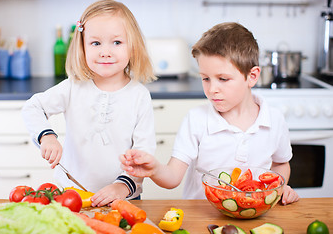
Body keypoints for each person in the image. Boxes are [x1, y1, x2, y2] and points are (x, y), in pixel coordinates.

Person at [121, 22, 299, 205]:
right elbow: (173, 177)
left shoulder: (274, 120)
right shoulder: (196, 120)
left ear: (252, 77)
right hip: (202, 217)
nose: (212, 89)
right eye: (205, 78)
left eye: (223, 79)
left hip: (255, 212)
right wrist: (155, 169)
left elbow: (280, 164)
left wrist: (280, 186)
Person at [22, 0, 157, 207]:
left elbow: (143, 152)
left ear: (133, 46)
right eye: (95, 43)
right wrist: (46, 136)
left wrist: (121, 186)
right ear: (82, 47)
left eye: (117, 42)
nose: (105, 51)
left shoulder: (139, 96)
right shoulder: (73, 87)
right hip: (72, 192)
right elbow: (33, 107)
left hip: (122, 196)